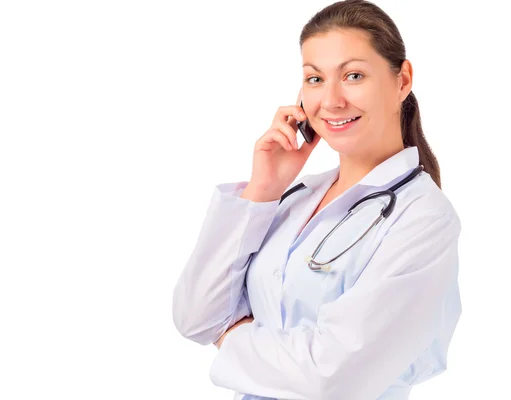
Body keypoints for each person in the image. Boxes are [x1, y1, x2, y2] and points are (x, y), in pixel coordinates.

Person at [172, 0, 462, 399]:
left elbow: (332, 376)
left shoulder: (424, 217)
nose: (332, 100)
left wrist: (231, 336)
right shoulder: (294, 199)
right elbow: (193, 315)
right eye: (314, 79)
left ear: (402, 80)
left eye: (354, 75)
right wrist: (264, 189)